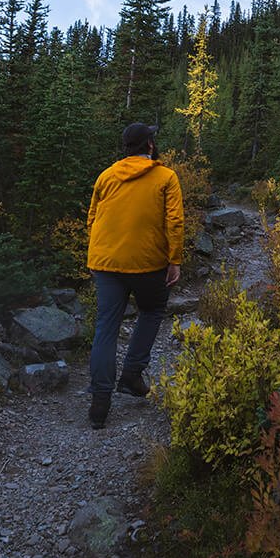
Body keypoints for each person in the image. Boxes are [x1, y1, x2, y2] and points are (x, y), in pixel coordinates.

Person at [84, 122, 184, 429]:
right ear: (150, 146)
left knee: (106, 327)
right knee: (152, 309)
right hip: (147, 263)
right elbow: (175, 222)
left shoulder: (106, 176)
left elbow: (92, 218)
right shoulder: (166, 176)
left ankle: (100, 402)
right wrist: (174, 260)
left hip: (105, 261)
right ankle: (131, 374)